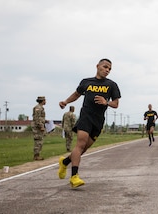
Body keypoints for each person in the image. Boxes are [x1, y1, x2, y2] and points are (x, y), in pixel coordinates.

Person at [58, 58, 121, 188]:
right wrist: (65, 102)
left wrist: (106, 102)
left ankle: (65, 162)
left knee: (83, 148)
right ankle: (74, 177)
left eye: (109, 69)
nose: (107, 70)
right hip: (86, 117)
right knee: (80, 144)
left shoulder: (112, 85)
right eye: (105, 67)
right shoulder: (86, 82)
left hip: (98, 121)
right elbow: (76, 94)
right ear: (97, 66)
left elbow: (116, 104)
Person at [31, 96, 47, 161]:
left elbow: (40, 118)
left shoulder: (40, 108)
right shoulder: (38, 108)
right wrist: (41, 126)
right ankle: (36, 156)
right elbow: (37, 118)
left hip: (39, 125)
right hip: (37, 127)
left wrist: (45, 121)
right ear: (42, 101)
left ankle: (37, 155)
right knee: (38, 141)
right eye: (45, 100)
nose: (45, 101)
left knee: (40, 141)